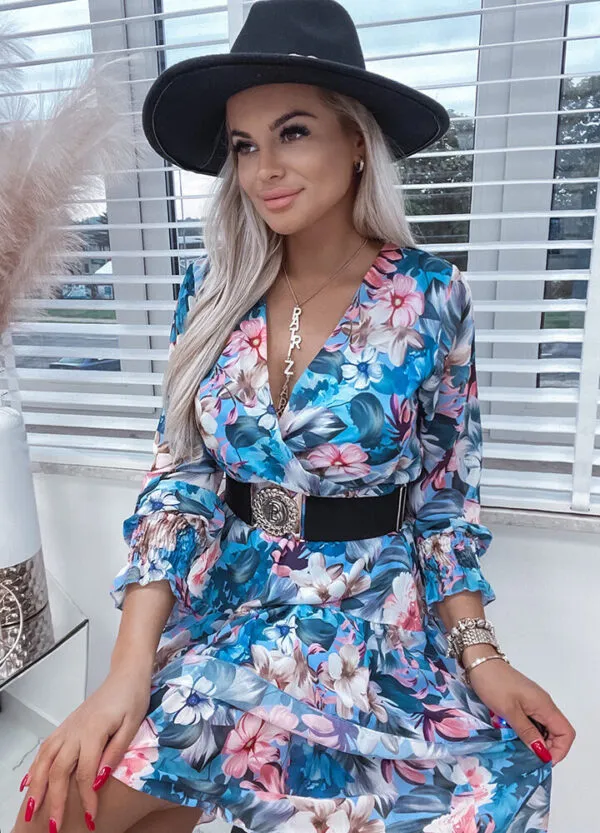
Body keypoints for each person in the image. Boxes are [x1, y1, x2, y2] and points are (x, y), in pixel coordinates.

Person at [12, 1, 575, 832]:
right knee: (58, 805)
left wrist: (481, 655)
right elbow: (179, 482)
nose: (263, 168)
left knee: (495, 789)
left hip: (369, 630)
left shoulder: (431, 295)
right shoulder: (210, 292)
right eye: (244, 145)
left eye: (294, 132)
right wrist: (126, 675)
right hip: (236, 616)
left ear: (357, 140)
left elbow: (445, 503)